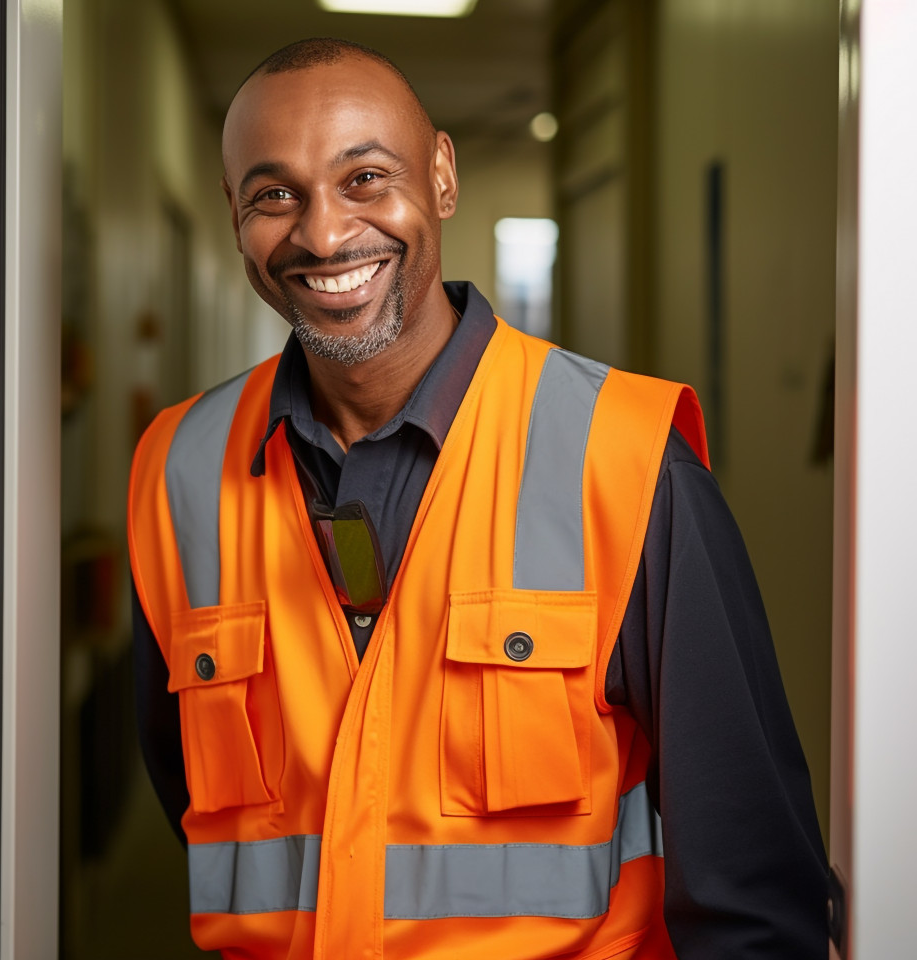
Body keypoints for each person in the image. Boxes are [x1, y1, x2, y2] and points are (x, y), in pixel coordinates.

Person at [128, 37, 828, 960]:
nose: (325, 235)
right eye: (274, 194)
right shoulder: (178, 470)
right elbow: (193, 806)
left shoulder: (625, 462)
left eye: (366, 179)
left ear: (443, 177)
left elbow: (754, 899)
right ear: (233, 214)